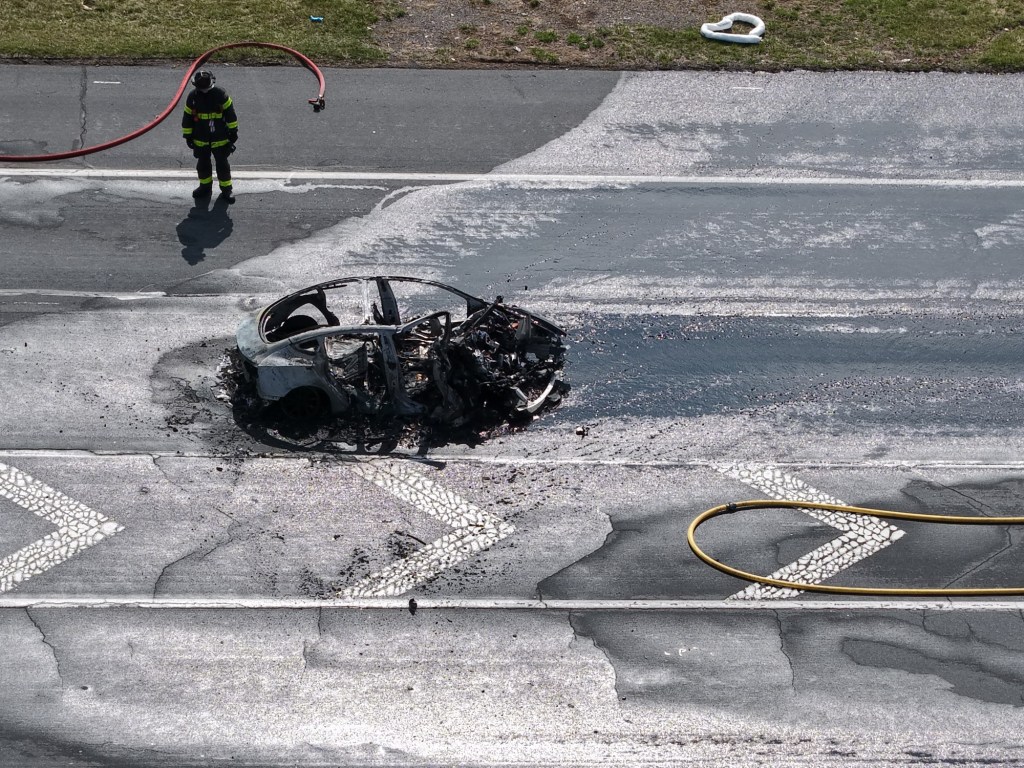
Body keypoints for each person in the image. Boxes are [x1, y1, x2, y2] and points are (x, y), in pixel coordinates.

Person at [181, 70, 238, 203]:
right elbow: (187, 117)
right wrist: (188, 136)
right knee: (203, 164)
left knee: (222, 165)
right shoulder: (193, 97)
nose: (204, 90)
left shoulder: (220, 94)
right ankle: (205, 187)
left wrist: (233, 131)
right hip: (201, 138)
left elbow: (230, 114)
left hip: (220, 137)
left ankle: (226, 190)